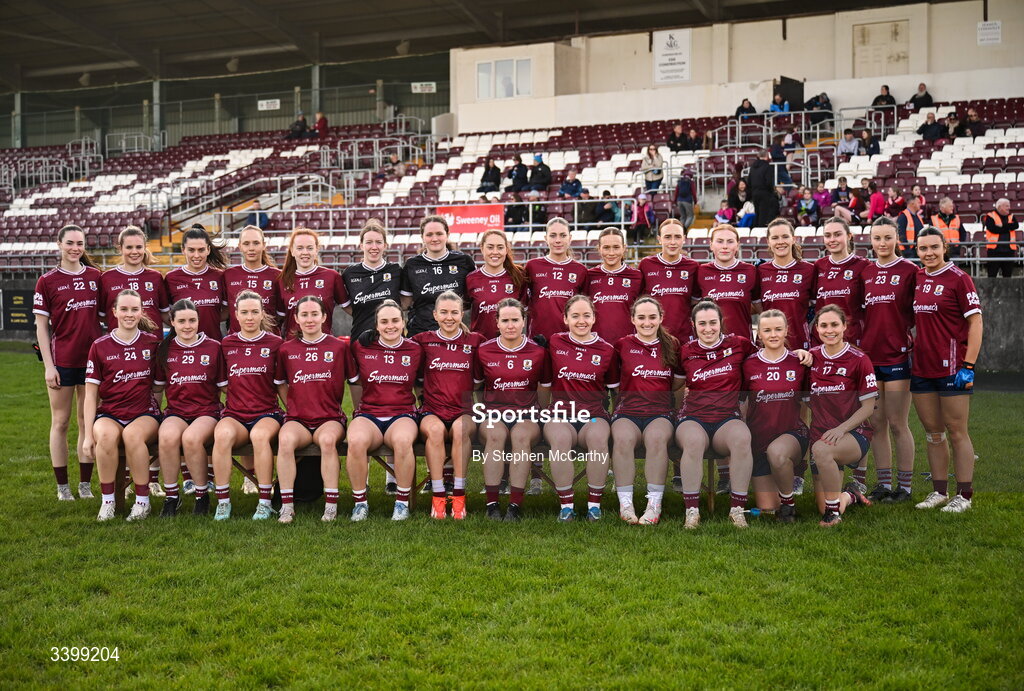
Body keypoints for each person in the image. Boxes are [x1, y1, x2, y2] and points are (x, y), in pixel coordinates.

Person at [676, 301, 811, 529]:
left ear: (721, 323)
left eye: (713, 323)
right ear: (693, 325)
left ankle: (737, 510)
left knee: (741, 437)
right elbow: (675, 384)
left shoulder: (739, 345)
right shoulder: (686, 351)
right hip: (693, 417)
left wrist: (798, 352)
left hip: (727, 417)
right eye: (702, 324)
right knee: (693, 441)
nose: (708, 328)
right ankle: (692, 511)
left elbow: (768, 355)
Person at [911, 228, 983, 513]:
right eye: (922, 248)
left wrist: (968, 365)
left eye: (933, 247)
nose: (928, 253)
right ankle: (939, 491)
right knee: (933, 432)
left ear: (944, 247)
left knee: (957, 431)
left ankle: (964, 495)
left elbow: (976, 323)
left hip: (952, 367)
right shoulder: (917, 277)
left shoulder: (959, 279)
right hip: (922, 367)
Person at [34, 224, 103, 502]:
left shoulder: (96, 277)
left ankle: (85, 485)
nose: (75, 248)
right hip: (62, 360)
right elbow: (41, 328)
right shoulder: (47, 281)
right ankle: (63, 487)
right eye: (70, 243)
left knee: (88, 423)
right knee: (60, 423)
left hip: (92, 363)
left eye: (80, 243)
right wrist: (48, 366)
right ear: (59, 245)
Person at [82, 290, 163, 521]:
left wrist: (157, 416)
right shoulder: (100, 346)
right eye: (124, 309)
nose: (129, 314)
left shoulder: (152, 343)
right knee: (105, 437)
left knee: (132, 436)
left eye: (134, 309)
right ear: (115, 312)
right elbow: (90, 396)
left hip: (143, 413)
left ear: (141, 312)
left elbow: (158, 388)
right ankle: (107, 502)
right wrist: (88, 436)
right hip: (110, 413)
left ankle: (142, 502)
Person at [274, 295, 354, 524]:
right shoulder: (286, 349)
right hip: (298, 419)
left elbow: (355, 381)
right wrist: (291, 403)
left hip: (329, 418)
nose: (310, 319)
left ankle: (330, 505)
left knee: (328, 441)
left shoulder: (339, 347)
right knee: (286, 440)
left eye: (314, 314)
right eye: (304, 315)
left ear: (324, 317)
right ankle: (287, 506)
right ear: (296, 319)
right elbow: (280, 382)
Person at [542, 295, 619, 522]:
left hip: (593, 416)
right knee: (561, 441)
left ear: (594, 318)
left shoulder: (606, 350)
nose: (581, 321)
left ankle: (594, 506)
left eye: (587, 315)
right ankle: (566, 507)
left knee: (598, 440)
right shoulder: (555, 342)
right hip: (560, 414)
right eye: (575, 316)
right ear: (565, 319)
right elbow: (545, 384)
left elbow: (615, 390)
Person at [858, 217, 917, 503]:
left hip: (897, 357)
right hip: (870, 357)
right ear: (870, 240)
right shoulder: (866, 272)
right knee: (876, 424)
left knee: (897, 423)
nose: (882, 243)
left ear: (897, 238)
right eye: (877, 238)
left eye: (887, 238)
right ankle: (883, 484)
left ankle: (904, 488)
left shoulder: (910, 271)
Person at [475, 299, 551, 521]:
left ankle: (514, 506)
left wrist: (541, 415)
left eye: (515, 320)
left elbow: (544, 388)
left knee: (520, 436)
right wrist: (484, 412)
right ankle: (492, 504)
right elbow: (478, 387)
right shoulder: (484, 350)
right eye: (505, 320)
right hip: (493, 415)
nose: (510, 325)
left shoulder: (537, 352)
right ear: (496, 322)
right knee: (496, 435)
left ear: (524, 322)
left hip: (526, 415)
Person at [211, 290, 284, 521]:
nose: (250, 317)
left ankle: (264, 501)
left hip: (267, 413)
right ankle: (223, 502)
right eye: (245, 312)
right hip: (235, 413)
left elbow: (282, 384)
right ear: (236, 314)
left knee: (261, 437)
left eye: (254, 312)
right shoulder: (226, 343)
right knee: (221, 435)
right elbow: (223, 384)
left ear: (263, 314)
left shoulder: (276, 343)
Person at [610, 297, 683, 524]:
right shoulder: (622, 345)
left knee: (657, 439)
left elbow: (678, 382)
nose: (647, 322)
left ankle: (654, 504)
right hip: (628, 411)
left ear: (661, 318)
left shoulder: (672, 344)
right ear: (632, 319)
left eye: (652, 317)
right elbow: (614, 384)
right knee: (621, 439)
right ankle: (626, 504)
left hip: (660, 412)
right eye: (641, 317)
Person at [346, 300, 422, 520]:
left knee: (402, 441)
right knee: (356, 441)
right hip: (369, 413)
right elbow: (353, 381)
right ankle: (360, 503)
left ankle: (401, 502)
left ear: (403, 322)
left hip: (402, 413)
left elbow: (422, 383)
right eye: (384, 321)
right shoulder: (362, 346)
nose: (390, 326)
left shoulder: (415, 349)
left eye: (395, 320)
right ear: (376, 326)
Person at [807, 304, 878, 526]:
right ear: (816, 329)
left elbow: (868, 407)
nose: (830, 330)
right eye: (824, 325)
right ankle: (851, 494)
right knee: (825, 502)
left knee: (820, 449)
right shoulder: (811, 358)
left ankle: (833, 515)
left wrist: (841, 429)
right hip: (821, 434)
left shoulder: (859, 359)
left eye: (835, 325)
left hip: (853, 434)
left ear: (845, 326)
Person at [154, 299, 226, 518]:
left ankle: (201, 495)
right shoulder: (165, 348)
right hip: (177, 411)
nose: (187, 326)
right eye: (182, 321)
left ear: (198, 321)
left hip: (207, 411)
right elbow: (158, 389)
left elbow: (225, 388)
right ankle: (171, 497)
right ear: (172, 323)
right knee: (166, 437)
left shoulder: (213, 347)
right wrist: (155, 414)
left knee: (192, 439)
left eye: (192, 320)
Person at [413, 292, 482, 520]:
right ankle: (439, 496)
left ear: (462, 314)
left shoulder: (475, 341)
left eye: (454, 312)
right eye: (443, 312)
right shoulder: (423, 340)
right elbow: (394, 345)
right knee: (434, 432)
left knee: (461, 431)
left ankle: (459, 497)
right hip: (433, 409)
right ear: (435, 314)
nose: (449, 317)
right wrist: (370, 337)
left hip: (464, 410)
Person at [741, 310, 809, 522]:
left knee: (778, 452)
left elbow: (810, 402)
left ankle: (789, 505)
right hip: (759, 441)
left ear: (786, 331)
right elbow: (742, 402)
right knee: (768, 508)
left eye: (778, 329)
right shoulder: (749, 364)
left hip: (791, 436)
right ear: (759, 334)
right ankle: (780, 499)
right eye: (767, 330)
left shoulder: (799, 362)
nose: (773, 334)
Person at [400, 215, 476, 336]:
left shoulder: (464, 261)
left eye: (439, 234)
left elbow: (475, 298)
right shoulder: (412, 265)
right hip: (421, 333)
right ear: (422, 237)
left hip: (455, 333)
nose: (434, 238)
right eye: (429, 235)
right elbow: (405, 303)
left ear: (447, 235)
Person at [275, 227, 346, 336]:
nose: (305, 252)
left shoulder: (332, 277)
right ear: (292, 251)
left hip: (324, 346)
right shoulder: (282, 280)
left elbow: (350, 309)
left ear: (316, 249)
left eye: (309, 248)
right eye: (299, 248)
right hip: (293, 348)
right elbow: (279, 319)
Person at [525, 217, 587, 341]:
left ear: (570, 238)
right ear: (545, 239)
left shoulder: (580, 270)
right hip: (538, 339)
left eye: (563, 235)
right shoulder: (532, 266)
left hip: (570, 340)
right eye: (553, 235)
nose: (558, 240)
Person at [639, 219, 699, 345]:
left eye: (677, 237)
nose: (672, 242)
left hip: (684, 338)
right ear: (659, 239)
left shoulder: (693, 266)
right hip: (653, 337)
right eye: (667, 237)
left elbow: (696, 303)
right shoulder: (646, 265)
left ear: (684, 239)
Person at [100, 226, 168, 336]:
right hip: (119, 345)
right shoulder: (107, 278)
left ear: (145, 248)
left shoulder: (156, 277)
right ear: (120, 248)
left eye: (139, 247)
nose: (134, 251)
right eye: (129, 247)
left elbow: (164, 313)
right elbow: (102, 315)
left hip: (152, 345)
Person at [758, 218, 816, 350]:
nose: (780, 242)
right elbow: (755, 305)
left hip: (799, 343)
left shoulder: (809, 270)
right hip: (768, 344)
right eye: (775, 238)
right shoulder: (760, 271)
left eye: (785, 236)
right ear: (768, 241)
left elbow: (816, 306)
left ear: (793, 239)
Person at [341, 221, 402, 341]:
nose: (374, 247)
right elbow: (345, 305)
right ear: (361, 245)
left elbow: (404, 302)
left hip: (392, 339)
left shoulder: (396, 271)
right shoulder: (349, 274)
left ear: (385, 245)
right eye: (369, 242)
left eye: (378, 242)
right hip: (360, 339)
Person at [696, 224, 760, 340]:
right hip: (711, 344)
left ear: (737, 245)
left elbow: (760, 307)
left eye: (730, 241)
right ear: (711, 245)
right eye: (719, 241)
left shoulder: (750, 271)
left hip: (743, 342)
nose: (725, 246)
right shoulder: (701, 271)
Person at [165, 225, 227, 341]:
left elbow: (227, 311)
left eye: (201, 250)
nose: (196, 255)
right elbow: (164, 314)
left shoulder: (220, 276)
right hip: (182, 347)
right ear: (183, 250)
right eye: (191, 250)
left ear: (208, 249)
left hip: (213, 345)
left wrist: (209, 319)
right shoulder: (171, 278)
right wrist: (184, 326)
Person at [812, 217, 868, 346]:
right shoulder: (818, 266)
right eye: (827, 235)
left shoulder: (863, 266)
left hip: (852, 338)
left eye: (837, 235)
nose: (832, 240)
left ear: (849, 236)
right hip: (822, 339)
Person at [584, 228, 643, 345]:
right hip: (596, 345)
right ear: (599, 249)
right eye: (606, 247)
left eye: (616, 247)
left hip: (629, 344)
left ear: (624, 248)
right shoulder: (589, 276)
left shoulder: (637, 276)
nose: (611, 253)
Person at [466, 229, 527, 340]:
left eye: (500, 247)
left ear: (506, 250)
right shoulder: (471, 279)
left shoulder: (518, 276)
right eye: (490, 247)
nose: (495, 252)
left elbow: (524, 312)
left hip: (510, 344)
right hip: (481, 345)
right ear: (482, 249)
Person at [223, 225, 281, 334]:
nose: (251, 248)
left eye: (256, 243)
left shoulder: (277, 275)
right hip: (237, 344)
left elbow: (281, 315)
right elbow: (225, 312)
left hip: (269, 344)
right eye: (246, 243)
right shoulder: (229, 275)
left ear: (264, 245)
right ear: (239, 246)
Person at [983, 198, 1019, 278]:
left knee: (1008, 276)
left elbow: (1016, 225)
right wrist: (1008, 227)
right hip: (994, 251)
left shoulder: (1011, 216)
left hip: (1009, 251)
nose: (1009, 208)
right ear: (1000, 207)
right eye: (1007, 206)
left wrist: (1002, 226)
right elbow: (993, 229)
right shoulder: (990, 216)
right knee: (992, 275)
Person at [747, 151, 778, 227]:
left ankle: (756, 230)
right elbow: (769, 182)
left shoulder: (753, 167)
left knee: (757, 213)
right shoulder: (767, 167)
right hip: (765, 193)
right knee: (764, 214)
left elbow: (749, 181)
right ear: (767, 156)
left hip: (755, 193)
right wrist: (772, 191)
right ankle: (760, 233)